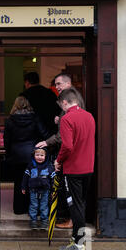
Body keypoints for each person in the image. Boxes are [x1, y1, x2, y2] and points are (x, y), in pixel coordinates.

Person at [36, 73, 85, 229]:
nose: (56, 87)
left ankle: (73, 224)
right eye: (55, 84)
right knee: (68, 189)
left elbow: (66, 137)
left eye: (59, 84)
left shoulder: (72, 100)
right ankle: (71, 222)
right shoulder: (72, 104)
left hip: (72, 156)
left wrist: (50, 146)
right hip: (77, 156)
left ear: (68, 83)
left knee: (70, 190)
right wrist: (60, 117)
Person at [55, 88, 95, 250]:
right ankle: (78, 239)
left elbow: (68, 146)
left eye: (61, 105)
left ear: (65, 102)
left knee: (75, 206)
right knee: (81, 203)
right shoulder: (89, 116)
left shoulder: (66, 118)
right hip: (88, 167)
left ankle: (79, 245)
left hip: (73, 169)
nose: (62, 108)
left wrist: (58, 160)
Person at [4, 96, 50, 214]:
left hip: (16, 155)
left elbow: (7, 140)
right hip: (32, 155)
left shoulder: (10, 120)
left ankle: (19, 209)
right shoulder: (35, 118)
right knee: (34, 181)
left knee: (19, 181)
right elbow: (45, 133)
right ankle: (34, 210)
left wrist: (8, 154)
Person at [21, 147, 56, 230]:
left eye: (42, 155)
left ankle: (44, 221)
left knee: (44, 206)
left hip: (45, 190)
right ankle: (33, 221)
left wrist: (53, 190)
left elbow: (53, 179)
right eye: (37, 155)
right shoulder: (30, 166)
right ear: (34, 156)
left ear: (46, 156)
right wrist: (23, 187)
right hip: (33, 190)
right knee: (34, 205)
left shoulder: (49, 167)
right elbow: (25, 177)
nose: (39, 157)